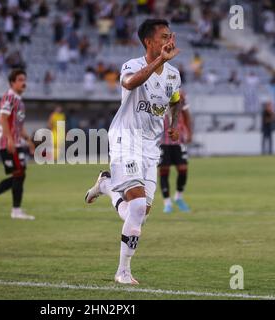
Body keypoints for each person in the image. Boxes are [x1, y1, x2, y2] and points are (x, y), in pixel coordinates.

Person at [84, 19, 181, 284]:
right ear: (149, 42)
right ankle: (122, 271)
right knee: (137, 206)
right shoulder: (133, 65)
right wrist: (158, 61)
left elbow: (176, 101)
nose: (169, 40)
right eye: (163, 36)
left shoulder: (174, 74)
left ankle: (106, 187)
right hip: (125, 139)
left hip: (150, 146)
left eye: (170, 35)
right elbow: (129, 84)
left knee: (140, 212)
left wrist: (174, 123)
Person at [0, 69, 35, 220]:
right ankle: (14, 210)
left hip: (16, 142)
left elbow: (19, 125)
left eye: (24, 79)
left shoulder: (20, 102)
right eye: (20, 79)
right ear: (12, 83)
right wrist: (9, 139)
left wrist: (29, 141)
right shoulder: (9, 98)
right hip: (8, 143)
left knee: (19, 175)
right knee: (19, 174)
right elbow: (3, 119)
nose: (24, 82)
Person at [158, 89, 192, 214]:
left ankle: (178, 196)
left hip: (178, 139)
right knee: (164, 170)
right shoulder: (156, 92)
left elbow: (186, 114)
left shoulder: (180, 94)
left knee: (183, 168)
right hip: (162, 139)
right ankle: (167, 202)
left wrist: (189, 132)